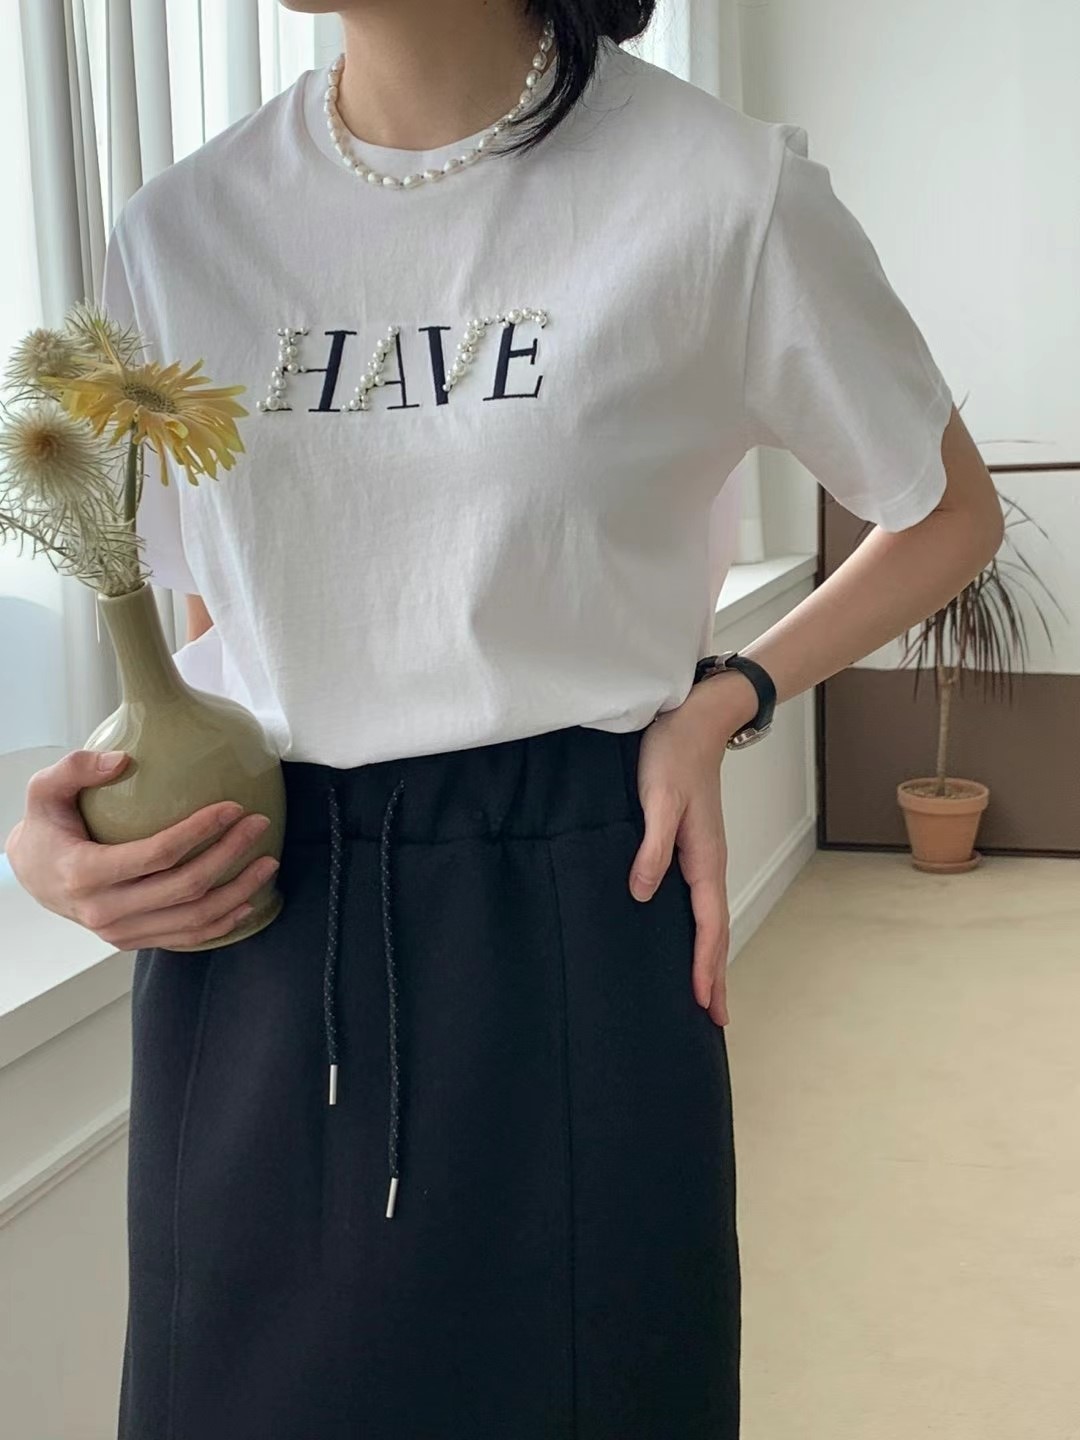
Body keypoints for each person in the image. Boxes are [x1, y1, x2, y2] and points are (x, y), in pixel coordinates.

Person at [5, 1, 1003, 1436]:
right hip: (263, 921)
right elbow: (231, 630)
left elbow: (948, 511)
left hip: (574, 902)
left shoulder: (719, 190)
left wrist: (724, 700)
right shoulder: (182, 229)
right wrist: (67, 837)